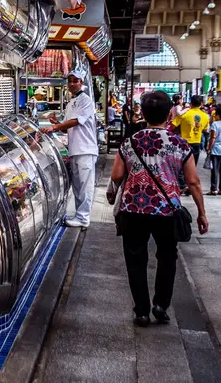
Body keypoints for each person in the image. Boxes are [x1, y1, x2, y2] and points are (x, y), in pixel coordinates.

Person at [110, 91, 208, 327]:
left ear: (142, 114)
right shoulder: (179, 144)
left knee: (135, 258)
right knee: (167, 256)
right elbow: (193, 181)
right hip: (166, 210)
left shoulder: (129, 142)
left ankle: (141, 310)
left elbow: (116, 176)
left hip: (133, 209)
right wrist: (202, 213)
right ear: (169, 115)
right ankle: (160, 305)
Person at [41, 69, 98, 228]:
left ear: (81, 82)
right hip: (75, 149)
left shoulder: (86, 100)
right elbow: (67, 128)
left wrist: (55, 126)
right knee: (78, 186)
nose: (72, 84)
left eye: (75, 81)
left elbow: (76, 121)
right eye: (70, 81)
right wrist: (56, 123)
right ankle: (79, 215)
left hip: (86, 149)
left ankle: (84, 217)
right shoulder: (71, 102)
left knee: (86, 186)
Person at [172, 95, 209, 166]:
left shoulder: (184, 114)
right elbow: (205, 129)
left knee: (182, 166)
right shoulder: (205, 116)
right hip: (197, 143)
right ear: (201, 103)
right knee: (193, 166)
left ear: (191, 103)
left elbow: (173, 126)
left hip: (184, 143)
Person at [207, 105, 221, 195]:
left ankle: (214, 189)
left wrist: (209, 148)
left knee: (215, 170)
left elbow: (213, 137)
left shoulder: (215, 124)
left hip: (216, 149)